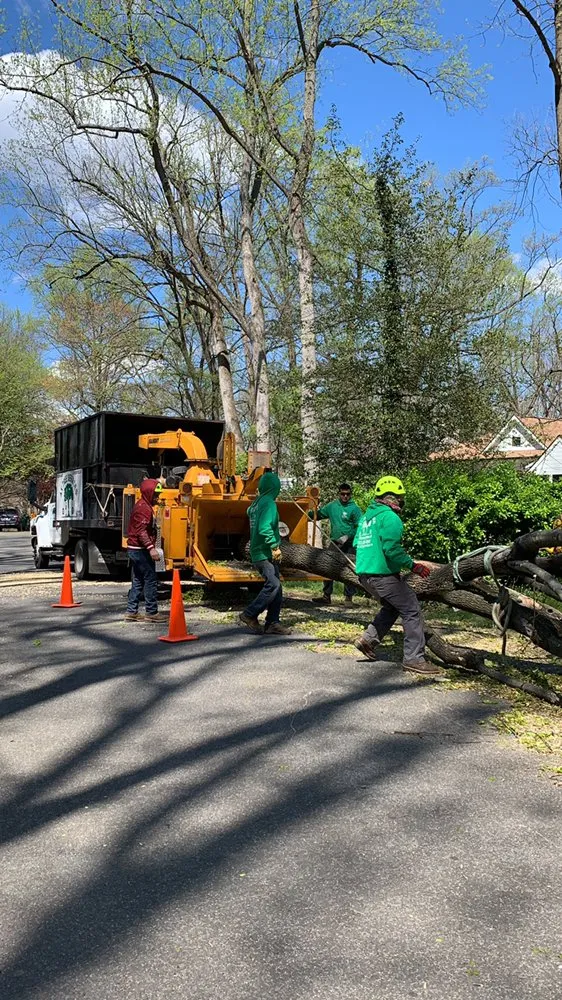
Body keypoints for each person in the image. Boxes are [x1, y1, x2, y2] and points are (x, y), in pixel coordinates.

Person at [352, 475, 440, 677]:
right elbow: (392, 549)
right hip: (382, 576)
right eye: (400, 497)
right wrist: (414, 566)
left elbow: (357, 544)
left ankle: (368, 640)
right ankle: (414, 659)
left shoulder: (366, 518)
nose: (402, 501)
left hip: (365, 576)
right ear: (392, 498)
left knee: (392, 607)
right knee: (411, 610)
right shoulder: (390, 518)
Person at [238, 471, 292, 636]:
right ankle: (249, 614)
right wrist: (275, 547)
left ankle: (273, 623)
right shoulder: (269, 503)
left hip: (257, 551)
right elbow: (264, 528)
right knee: (273, 584)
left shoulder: (256, 503)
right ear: (274, 487)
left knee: (278, 588)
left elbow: (248, 512)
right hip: (265, 552)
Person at [309, 483, 362, 605]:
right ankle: (326, 596)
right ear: (339, 494)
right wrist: (307, 512)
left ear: (350, 494)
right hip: (335, 542)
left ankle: (348, 599)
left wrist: (348, 536)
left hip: (350, 543)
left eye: (347, 494)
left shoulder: (354, 509)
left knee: (350, 569)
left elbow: (360, 527)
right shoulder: (332, 506)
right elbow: (318, 514)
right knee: (327, 566)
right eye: (342, 494)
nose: (345, 496)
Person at [125, 478, 168, 623]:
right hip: (140, 550)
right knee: (150, 579)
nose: (158, 498)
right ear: (149, 493)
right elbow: (141, 531)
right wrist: (151, 549)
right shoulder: (144, 508)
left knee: (137, 580)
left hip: (134, 549)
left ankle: (132, 611)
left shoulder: (143, 505)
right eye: (156, 495)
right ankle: (151, 612)